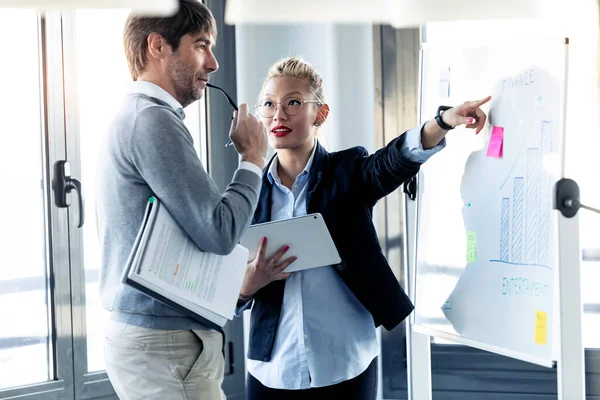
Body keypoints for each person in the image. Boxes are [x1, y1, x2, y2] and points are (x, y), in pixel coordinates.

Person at [236, 56, 490, 400]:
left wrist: (442, 121)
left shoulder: (348, 170)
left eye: (293, 102)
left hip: (345, 363)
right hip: (271, 372)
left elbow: (392, 161)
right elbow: (225, 287)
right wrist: (247, 287)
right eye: (269, 104)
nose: (279, 115)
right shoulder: (248, 191)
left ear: (320, 113)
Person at [95, 1, 268, 399]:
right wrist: (253, 160)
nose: (213, 63)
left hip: (153, 339)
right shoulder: (152, 119)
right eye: (201, 45)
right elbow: (219, 231)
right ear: (158, 46)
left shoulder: (135, 114)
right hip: (166, 343)